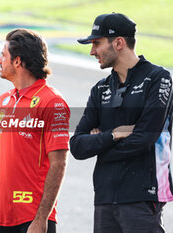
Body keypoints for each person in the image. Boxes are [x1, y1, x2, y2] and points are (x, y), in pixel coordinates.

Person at [70, 13, 173, 233]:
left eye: (97, 43)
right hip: (105, 197)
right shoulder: (100, 88)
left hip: (143, 195)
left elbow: (144, 139)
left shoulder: (158, 78)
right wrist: (112, 135)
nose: (92, 51)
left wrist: (99, 144)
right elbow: (77, 146)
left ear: (119, 43)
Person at [0, 28, 70, 233]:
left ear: (17, 61)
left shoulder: (52, 102)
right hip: (1, 218)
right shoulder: (3, 101)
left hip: (33, 217)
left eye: (3, 55)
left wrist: (41, 218)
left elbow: (59, 163)